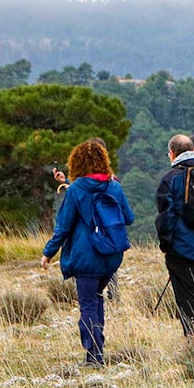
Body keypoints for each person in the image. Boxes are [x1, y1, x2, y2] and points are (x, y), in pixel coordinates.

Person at [42, 138, 132, 366]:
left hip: (86, 256)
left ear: (77, 161)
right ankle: (97, 349)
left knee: (88, 304)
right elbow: (129, 217)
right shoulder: (114, 186)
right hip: (111, 256)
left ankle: (94, 356)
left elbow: (63, 226)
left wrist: (48, 252)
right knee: (97, 299)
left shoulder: (76, 190)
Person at [155, 134, 194, 336]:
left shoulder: (171, 179)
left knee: (186, 295)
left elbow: (166, 217)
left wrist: (166, 245)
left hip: (181, 246)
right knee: (192, 290)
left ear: (172, 153)